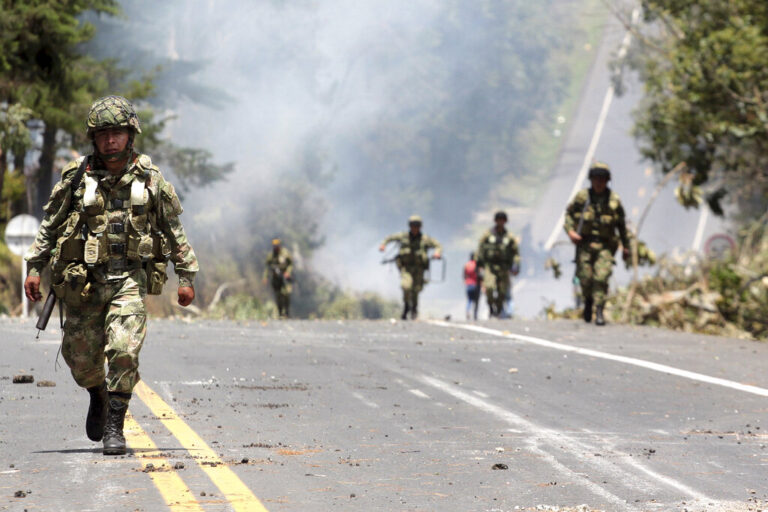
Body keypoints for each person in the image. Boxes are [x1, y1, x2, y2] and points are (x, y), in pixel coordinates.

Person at [23, 96, 198, 455]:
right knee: (80, 360)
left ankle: (115, 428)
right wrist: (34, 268)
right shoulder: (76, 177)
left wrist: (186, 277)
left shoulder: (150, 178)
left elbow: (172, 229)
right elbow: (50, 226)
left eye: (117, 132)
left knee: (123, 350)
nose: (110, 140)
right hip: (82, 284)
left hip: (128, 280)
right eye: (103, 133)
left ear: (130, 134)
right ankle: (98, 394)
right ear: (94, 138)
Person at [564, 161, 630, 326]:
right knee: (585, 278)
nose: (599, 182)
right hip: (584, 245)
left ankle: (599, 310)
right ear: (591, 179)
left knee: (601, 277)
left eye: (602, 178)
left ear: (607, 180)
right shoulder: (582, 198)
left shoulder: (614, 200)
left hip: (605, 246)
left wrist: (626, 246)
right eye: (595, 178)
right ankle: (588, 301)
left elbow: (622, 225)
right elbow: (568, 216)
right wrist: (571, 232)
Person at [379, 215, 442, 320]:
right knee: (406, 287)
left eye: (417, 225)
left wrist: (437, 253)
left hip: (419, 269)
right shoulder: (403, 237)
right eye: (413, 225)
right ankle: (406, 306)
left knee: (416, 290)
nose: (415, 227)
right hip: (406, 269)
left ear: (420, 226)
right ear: (409, 226)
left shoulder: (425, 239)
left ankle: (414, 309)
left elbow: (438, 245)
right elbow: (389, 238)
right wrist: (383, 245)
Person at [476, 211, 520, 318]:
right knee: (489, 288)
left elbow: (516, 253)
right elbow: (480, 249)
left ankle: (499, 308)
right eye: (498, 220)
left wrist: (516, 265)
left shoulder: (509, 237)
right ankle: (491, 306)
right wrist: (478, 264)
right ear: (495, 221)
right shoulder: (487, 235)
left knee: (502, 291)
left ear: (505, 221)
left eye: (502, 220)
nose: (500, 222)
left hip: (504, 268)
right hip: (490, 267)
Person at [263, 238, 293, 318]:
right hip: (276, 278)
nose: (276, 247)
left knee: (286, 294)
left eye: (277, 246)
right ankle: (280, 312)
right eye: (274, 246)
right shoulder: (271, 255)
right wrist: (265, 277)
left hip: (285, 276)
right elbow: (267, 266)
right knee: (278, 295)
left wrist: (288, 272)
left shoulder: (285, 253)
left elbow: (290, 264)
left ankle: (287, 312)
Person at [463, 252, 480, 320]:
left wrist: (466, 281)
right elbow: (480, 276)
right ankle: (475, 315)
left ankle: (468, 311)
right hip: (476, 285)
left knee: (469, 300)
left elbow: (464, 275)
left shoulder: (466, 265)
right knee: (476, 301)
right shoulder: (477, 265)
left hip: (468, 285)